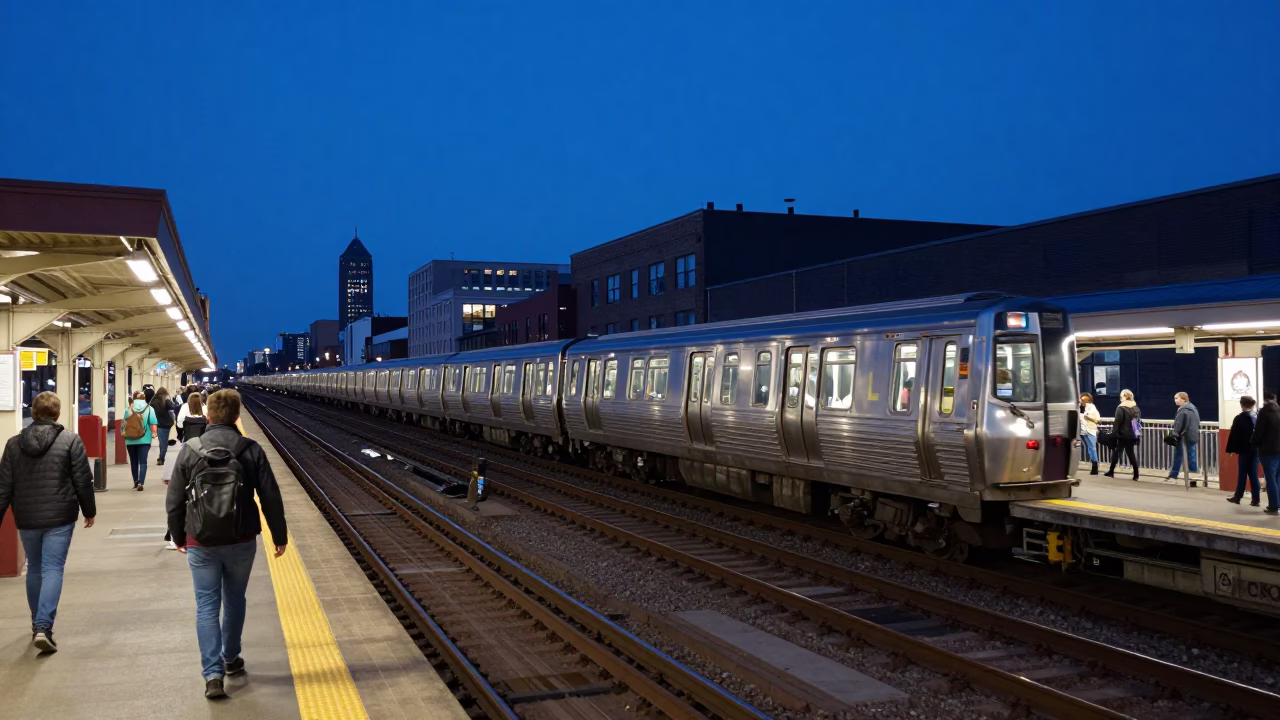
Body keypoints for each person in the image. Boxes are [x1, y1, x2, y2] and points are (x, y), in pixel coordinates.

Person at [166, 389, 287, 699]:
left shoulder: (191, 449)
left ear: (208, 416)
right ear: (237, 416)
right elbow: (270, 496)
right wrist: (279, 535)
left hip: (201, 540)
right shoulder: (250, 449)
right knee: (235, 599)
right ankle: (231, 658)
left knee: (206, 606)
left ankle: (212, 675)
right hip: (241, 537)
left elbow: (175, 499)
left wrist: (179, 536)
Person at [0, 392, 96, 654]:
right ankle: (44, 626)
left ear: (33, 413)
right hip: (60, 515)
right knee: (53, 568)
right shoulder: (70, 441)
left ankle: (36, 624)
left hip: (27, 516)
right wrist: (89, 510)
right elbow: (82, 480)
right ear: (58, 413)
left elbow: (4, 487)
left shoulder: (12, 444)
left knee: (34, 568)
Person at [1226, 396, 1261, 507]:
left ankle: (1238, 497)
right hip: (1255, 450)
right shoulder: (1257, 417)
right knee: (1253, 474)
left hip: (1244, 451)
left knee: (1242, 474)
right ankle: (1256, 499)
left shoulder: (1239, 419)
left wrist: (1231, 449)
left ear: (1241, 405)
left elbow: (1234, 435)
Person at [1252, 390, 1280, 516]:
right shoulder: (1278, 411)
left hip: (1268, 450)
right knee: (1277, 477)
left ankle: (1274, 506)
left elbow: (1258, 432)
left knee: (1270, 477)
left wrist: (1253, 444)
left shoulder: (1264, 413)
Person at [123, 390, 158, 491]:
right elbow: (153, 424)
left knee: (134, 462)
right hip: (144, 439)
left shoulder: (128, 409)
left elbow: (125, 423)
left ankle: (135, 482)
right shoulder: (150, 408)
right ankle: (141, 482)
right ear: (144, 398)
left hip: (130, 439)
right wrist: (154, 434)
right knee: (143, 462)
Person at [1104, 389, 1141, 480]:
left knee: (1117, 452)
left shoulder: (1121, 408)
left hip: (1122, 434)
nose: (1120, 399)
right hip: (1132, 435)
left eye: (1121, 397)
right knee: (1130, 453)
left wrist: (1113, 434)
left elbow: (1117, 422)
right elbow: (1138, 422)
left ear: (1124, 397)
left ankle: (1111, 471)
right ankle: (1136, 474)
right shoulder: (1135, 408)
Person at [1169, 392, 1202, 484]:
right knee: (1191, 455)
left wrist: (1174, 435)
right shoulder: (1193, 408)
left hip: (1184, 437)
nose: (1175, 400)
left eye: (1177, 398)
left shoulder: (1183, 410)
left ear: (1183, 399)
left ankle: (1173, 476)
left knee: (1178, 456)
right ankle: (1193, 477)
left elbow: (1178, 424)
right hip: (1193, 435)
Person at [151, 387, 178, 466]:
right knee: (164, 442)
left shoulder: (153, 402)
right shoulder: (167, 402)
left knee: (162, 442)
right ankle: (162, 457)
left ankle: (161, 457)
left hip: (158, 424)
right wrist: (174, 420)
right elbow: (172, 411)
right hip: (167, 424)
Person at [1079, 392, 1102, 475]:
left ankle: (1095, 466)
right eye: (1082, 400)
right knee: (1087, 448)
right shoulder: (1078, 407)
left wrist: (1088, 418)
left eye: (1086, 400)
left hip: (1090, 431)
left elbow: (1098, 420)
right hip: (1080, 431)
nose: (1084, 402)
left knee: (1092, 448)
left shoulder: (1093, 408)